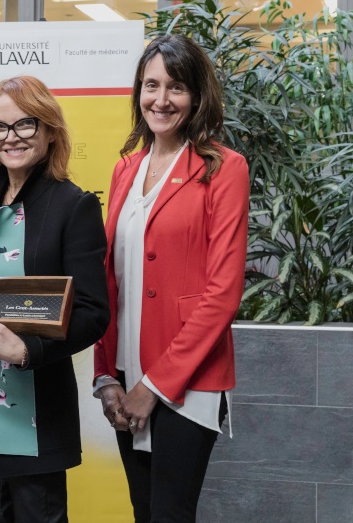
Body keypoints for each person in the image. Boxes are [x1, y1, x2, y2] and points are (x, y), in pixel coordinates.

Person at [93, 34, 249, 522]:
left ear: (198, 96)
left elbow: (222, 295)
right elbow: (109, 278)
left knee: (170, 514)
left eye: (176, 87)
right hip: (124, 371)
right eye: (150, 85)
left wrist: (152, 386)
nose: (161, 100)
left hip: (188, 379)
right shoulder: (126, 169)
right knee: (144, 512)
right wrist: (106, 378)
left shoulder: (225, 169)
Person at [0, 75, 109, 522]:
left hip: (36, 414)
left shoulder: (74, 206)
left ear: (50, 128)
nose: (10, 137)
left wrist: (28, 350)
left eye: (24, 124)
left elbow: (93, 312)